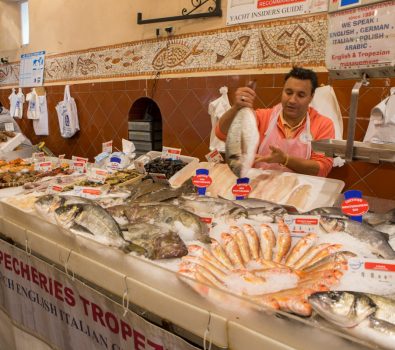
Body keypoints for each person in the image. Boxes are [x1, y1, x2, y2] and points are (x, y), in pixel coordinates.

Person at [215, 67, 335, 177]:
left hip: (300, 193)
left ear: (311, 97)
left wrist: (285, 159)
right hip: (259, 189)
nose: (292, 100)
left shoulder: (323, 124)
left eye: (301, 95)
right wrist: (236, 107)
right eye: (288, 93)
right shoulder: (262, 117)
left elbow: (322, 168)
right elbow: (222, 133)